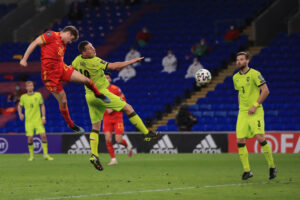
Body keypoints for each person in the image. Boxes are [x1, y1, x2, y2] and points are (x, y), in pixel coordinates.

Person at [72, 41, 159, 171]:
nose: (93, 49)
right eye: (90, 48)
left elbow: (69, 69)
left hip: (89, 96)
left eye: (92, 46)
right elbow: (113, 66)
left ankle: (94, 155)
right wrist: (131, 61)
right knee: (129, 108)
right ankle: (146, 133)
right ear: (84, 52)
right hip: (101, 93)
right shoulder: (95, 61)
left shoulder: (77, 60)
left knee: (95, 128)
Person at [20, 26, 110, 134]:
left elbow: (57, 58)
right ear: (68, 33)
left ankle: (98, 94)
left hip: (62, 68)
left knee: (86, 80)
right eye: (71, 39)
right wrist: (24, 59)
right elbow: (34, 42)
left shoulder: (63, 44)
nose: (70, 42)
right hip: (50, 76)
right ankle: (71, 125)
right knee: (63, 101)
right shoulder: (51, 35)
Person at [233, 52, 276, 180]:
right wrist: (241, 107)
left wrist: (255, 105)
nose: (238, 62)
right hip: (243, 112)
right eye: (237, 60)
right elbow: (240, 93)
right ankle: (247, 171)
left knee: (260, 137)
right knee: (240, 140)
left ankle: (272, 167)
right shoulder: (235, 77)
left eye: (241, 59)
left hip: (255, 111)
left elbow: (266, 90)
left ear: (247, 61)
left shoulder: (255, 74)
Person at [17, 81, 53, 161]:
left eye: (31, 86)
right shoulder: (23, 97)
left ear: (33, 87)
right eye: (28, 86)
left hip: (38, 120)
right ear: (26, 88)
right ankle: (31, 156)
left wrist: (43, 117)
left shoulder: (38, 95)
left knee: (43, 136)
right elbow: (19, 106)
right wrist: (20, 114)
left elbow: (42, 105)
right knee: (30, 138)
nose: (30, 87)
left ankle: (46, 155)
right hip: (29, 121)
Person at [103, 72, 132, 166]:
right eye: (104, 78)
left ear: (110, 79)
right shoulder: (99, 90)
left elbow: (123, 101)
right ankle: (113, 159)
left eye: (108, 78)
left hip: (117, 118)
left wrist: (113, 107)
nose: (106, 79)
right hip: (106, 118)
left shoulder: (116, 89)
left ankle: (127, 145)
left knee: (118, 140)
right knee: (108, 139)